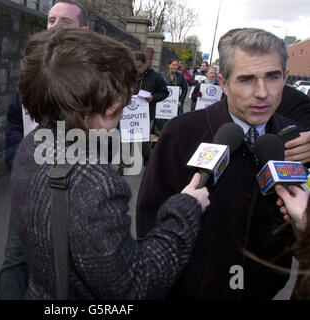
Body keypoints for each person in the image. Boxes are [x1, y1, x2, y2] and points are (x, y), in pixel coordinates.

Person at [12, 27, 210, 299]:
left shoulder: (31, 144)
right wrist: (185, 208)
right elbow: (133, 286)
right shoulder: (96, 184)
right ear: (110, 104)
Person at [136, 28, 303, 300]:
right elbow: (149, 219)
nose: (262, 93)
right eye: (247, 79)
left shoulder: (294, 140)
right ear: (223, 83)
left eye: (272, 78)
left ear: (285, 78)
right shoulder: (181, 133)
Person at [0, 0, 89, 300]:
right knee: (15, 259)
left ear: (83, 31)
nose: (55, 26)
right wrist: (15, 158)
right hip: (30, 183)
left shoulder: (98, 76)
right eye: (51, 20)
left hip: (78, 187)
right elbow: (14, 120)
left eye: (65, 21)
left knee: (72, 263)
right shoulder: (32, 70)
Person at [132, 52, 169, 166]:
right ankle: (125, 163)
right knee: (127, 139)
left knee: (144, 141)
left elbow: (164, 92)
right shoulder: (130, 74)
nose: (137, 70)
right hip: (129, 113)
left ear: (145, 64)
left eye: (139, 67)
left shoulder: (156, 77)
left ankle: (148, 161)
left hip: (146, 114)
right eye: (134, 67)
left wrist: (153, 98)